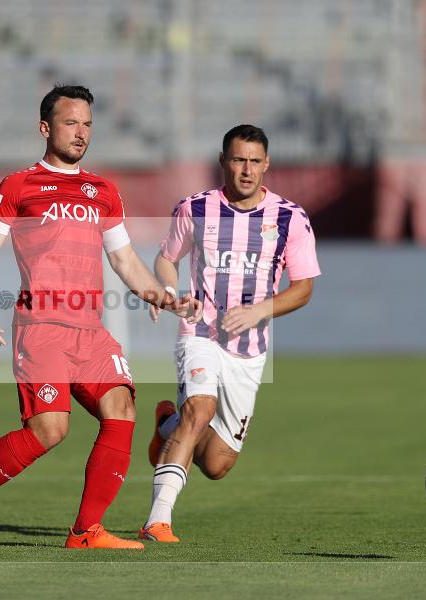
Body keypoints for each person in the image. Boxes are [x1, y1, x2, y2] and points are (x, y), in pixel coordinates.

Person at [0, 84, 201, 550]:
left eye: (87, 125)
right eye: (70, 123)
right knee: (49, 430)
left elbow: (124, 260)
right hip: (41, 329)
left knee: (121, 408)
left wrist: (160, 296)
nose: (81, 133)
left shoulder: (103, 191)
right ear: (45, 128)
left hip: (89, 330)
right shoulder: (18, 186)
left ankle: (86, 531)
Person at [139, 124, 320, 543]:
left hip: (249, 352)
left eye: (255, 162)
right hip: (199, 331)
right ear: (223, 162)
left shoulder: (290, 217)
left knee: (217, 464)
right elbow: (167, 258)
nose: (246, 170)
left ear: (267, 164)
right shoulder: (195, 208)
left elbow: (304, 288)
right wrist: (169, 290)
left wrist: (259, 310)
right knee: (199, 411)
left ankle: (166, 426)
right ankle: (158, 519)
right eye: (238, 160)